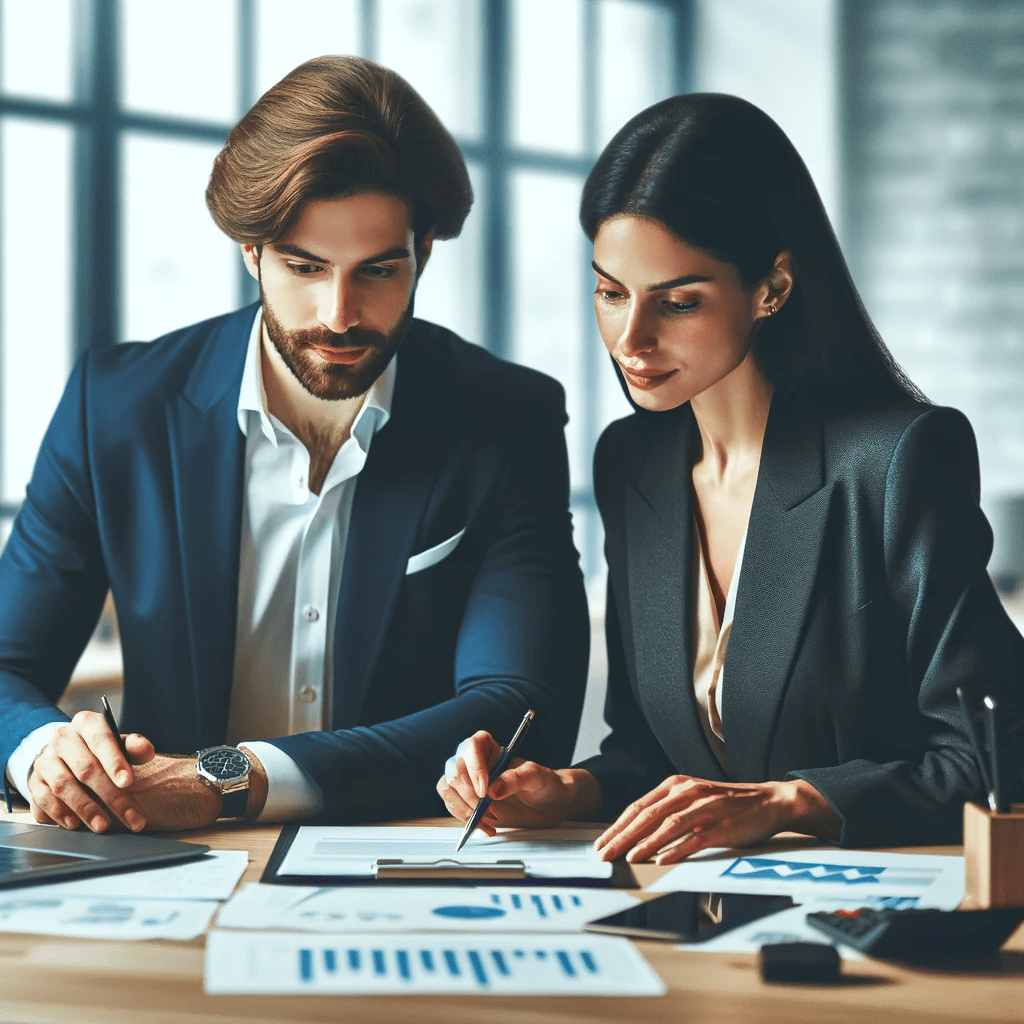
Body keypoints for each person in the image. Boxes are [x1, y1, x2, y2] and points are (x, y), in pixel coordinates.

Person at [0, 56, 589, 833]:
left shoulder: (506, 419)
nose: (339, 313)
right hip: (162, 862)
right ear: (251, 251)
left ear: (425, 253)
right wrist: (47, 752)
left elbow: (517, 709)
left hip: (400, 858)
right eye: (304, 267)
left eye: (378, 270)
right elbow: (8, 664)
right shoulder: (116, 408)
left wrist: (225, 778)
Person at [438, 93, 1024, 859]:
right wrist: (565, 790)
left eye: (677, 302)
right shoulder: (632, 463)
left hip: (875, 920)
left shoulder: (897, 460)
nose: (631, 338)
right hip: (703, 912)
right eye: (611, 292)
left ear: (772, 287)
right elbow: (651, 752)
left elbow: (991, 762)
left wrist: (791, 803)